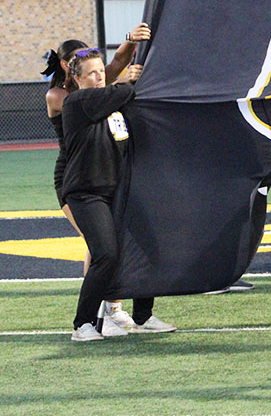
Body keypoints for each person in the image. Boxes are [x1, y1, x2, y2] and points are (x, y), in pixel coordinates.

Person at [42, 24, 150, 335]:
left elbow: (115, 67)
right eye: (87, 66)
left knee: (113, 243)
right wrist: (122, 83)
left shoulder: (98, 86)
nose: (99, 73)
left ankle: (113, 310)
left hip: (103, 171)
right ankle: (97, 316)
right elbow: (110, 86)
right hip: (74, 176)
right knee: (100, 245)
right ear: (69, 68)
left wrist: (130, 41)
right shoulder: (61, 96)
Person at [61, 48, 175, 341]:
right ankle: (82, 324)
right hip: (86, 194)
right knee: (106, 254)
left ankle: (143, 315)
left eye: (101, 71)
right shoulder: (77, 102)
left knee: (150, 246)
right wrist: (131, 80)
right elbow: (118, 93)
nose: (99, 77)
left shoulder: (113, 104)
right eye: (92, 73)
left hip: (118, 192)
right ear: (77, 79)